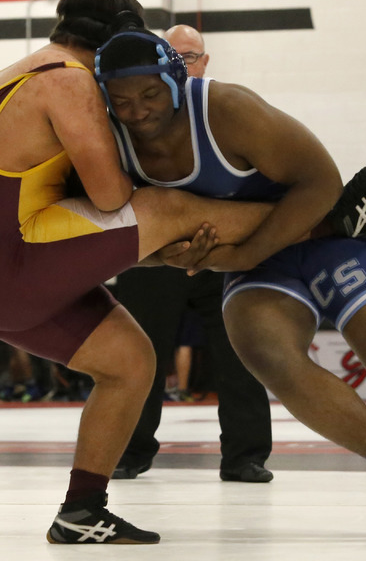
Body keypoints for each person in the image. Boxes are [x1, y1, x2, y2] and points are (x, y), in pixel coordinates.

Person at [0, 0, 366, 545]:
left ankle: (81, 511)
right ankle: (328, 222)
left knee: (129, 362)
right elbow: (110, 199)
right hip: (14, 263)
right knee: (163, 207)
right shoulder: (67, 81)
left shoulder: (15, 72)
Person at [94, 20, 366, 530]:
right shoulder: (110, 145)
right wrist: (173, 258)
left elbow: (323, 183)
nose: (138, 111)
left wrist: (243, 252)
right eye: (121, 101)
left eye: (148, 95)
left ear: (175, 81)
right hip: (254, 257)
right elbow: (116, 239)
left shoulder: (226, 110)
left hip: (320, 236)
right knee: (268, 354)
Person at [112, 24, 273, 483]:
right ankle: (128, 450)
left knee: (240, 350)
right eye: (175, 57)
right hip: (155, 251)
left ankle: (246, 455)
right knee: (137, 353)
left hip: (223, 248)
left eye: (191, 56)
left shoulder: (229, 110)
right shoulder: (140, 115)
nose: (184, 64)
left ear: (207, 61)